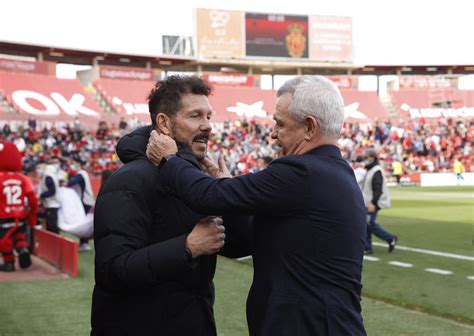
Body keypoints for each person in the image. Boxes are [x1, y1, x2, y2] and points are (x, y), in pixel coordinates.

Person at [147, 75, 367, 335]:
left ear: (309, 127)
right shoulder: (336, 172)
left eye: (280, 124)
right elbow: (254, 235)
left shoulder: (301, 171)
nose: (273, 134)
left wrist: (168, 160)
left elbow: (207, 195)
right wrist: (225, 183)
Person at [91, 76, 252, 336]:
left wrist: (225, 194)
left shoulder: (197, 179)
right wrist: (187, 247)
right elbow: (111, 270)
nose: (207, 126)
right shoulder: (129, 180)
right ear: (164, 123)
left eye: (209, 116)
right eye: (195, 116)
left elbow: (240, 246)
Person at [0, 141, 38, 272]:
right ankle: (22, 250)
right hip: (20, 215)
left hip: (4, 216)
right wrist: (32, 217)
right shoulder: (24, 178)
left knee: (4, 240)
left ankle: (9, 263)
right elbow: (33, 200)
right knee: (19, 236)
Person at [361, 148, 397, 254]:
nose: (365, 160)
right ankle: (367, 247)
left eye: (366, 157)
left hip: (374, 202)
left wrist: (373, 202)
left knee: (369, 223)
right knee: (366, 224)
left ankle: (390, 238)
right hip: (369, 201)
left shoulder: (376, 171)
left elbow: (378, 189)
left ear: (372, 157)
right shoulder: (371, 170)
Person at [67, 159, 95, 251]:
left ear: (79, 164)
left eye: (74, 163)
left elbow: (71, 182)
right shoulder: (80, 174)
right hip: (85, 201)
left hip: (86, 201)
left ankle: (85, 243)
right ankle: (83, 243)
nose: (72, 165)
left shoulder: (81, 173)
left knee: (84, 223)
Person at [38, 156, 61, 234]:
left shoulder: (48, 176)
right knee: (51, 227)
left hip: (51, 204)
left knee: (52, 228)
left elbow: (52, 190)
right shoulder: (51, 174)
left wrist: (42, 195)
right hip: (52, 203)